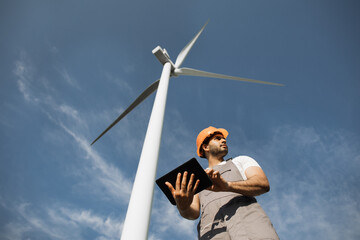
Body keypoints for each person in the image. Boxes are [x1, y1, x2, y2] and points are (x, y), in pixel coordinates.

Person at [165, 126, 279, 239]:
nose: (224, 140)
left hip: (252, 227)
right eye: (218, 139)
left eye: (223, 138)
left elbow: (262, 183)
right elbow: (193, 213)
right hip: (212, 233)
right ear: (205, 147)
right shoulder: (196, 179)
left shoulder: (241, 161)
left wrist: (228, 186)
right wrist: (183, 206)